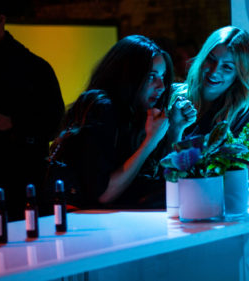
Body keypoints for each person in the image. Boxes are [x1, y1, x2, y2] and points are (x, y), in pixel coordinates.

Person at [45, 35, 196, 210]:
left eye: (162, 76)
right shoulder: (101, 107)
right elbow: (104, 194)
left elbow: (167, 182)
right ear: (128, 76)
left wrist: (176, 130)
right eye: (151, 76)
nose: (161, 86)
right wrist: (150, 141)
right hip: (81, 226)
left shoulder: (138, 114)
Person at [0, 1, 65, 226]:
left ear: (0, 19)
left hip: (21, 189)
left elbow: (54, 122)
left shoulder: (35, 69)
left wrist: (11, 123)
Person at [174, 26, 249, 141]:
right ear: (202, 58)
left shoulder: (244, 109)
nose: (214, 71)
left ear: (240, 74)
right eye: (211, 59)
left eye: (227, 67)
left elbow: (241, 158)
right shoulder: (176, 95)